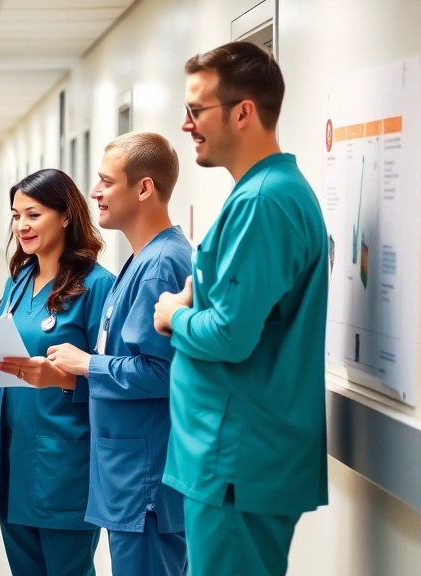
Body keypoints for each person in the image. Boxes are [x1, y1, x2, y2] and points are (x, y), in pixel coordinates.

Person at [153, 41, 329, 576]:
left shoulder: (263, 202)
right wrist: (194, 298)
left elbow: (230, 334)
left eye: (196, 110)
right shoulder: (264, 192)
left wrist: (171, 315)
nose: (186, 125)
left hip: (236, 458)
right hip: (234, 455)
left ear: (243, 112)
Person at [46, 133, 191, 576]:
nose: (95, 193)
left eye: (106, 182)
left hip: (144, 478)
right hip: (128, 472)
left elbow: (163, 371)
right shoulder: (139, 260)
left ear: (144, 188)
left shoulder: (162, 264)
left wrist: (84, 363)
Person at [0, 169, 114, 576]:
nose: (22, 226)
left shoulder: (97, 288)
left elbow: (114, 376)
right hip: (15, 460)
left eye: (33, 214)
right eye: (15, 215)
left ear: (65, 216)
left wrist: (61, 378)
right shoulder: (20, 280)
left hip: (63, 467)